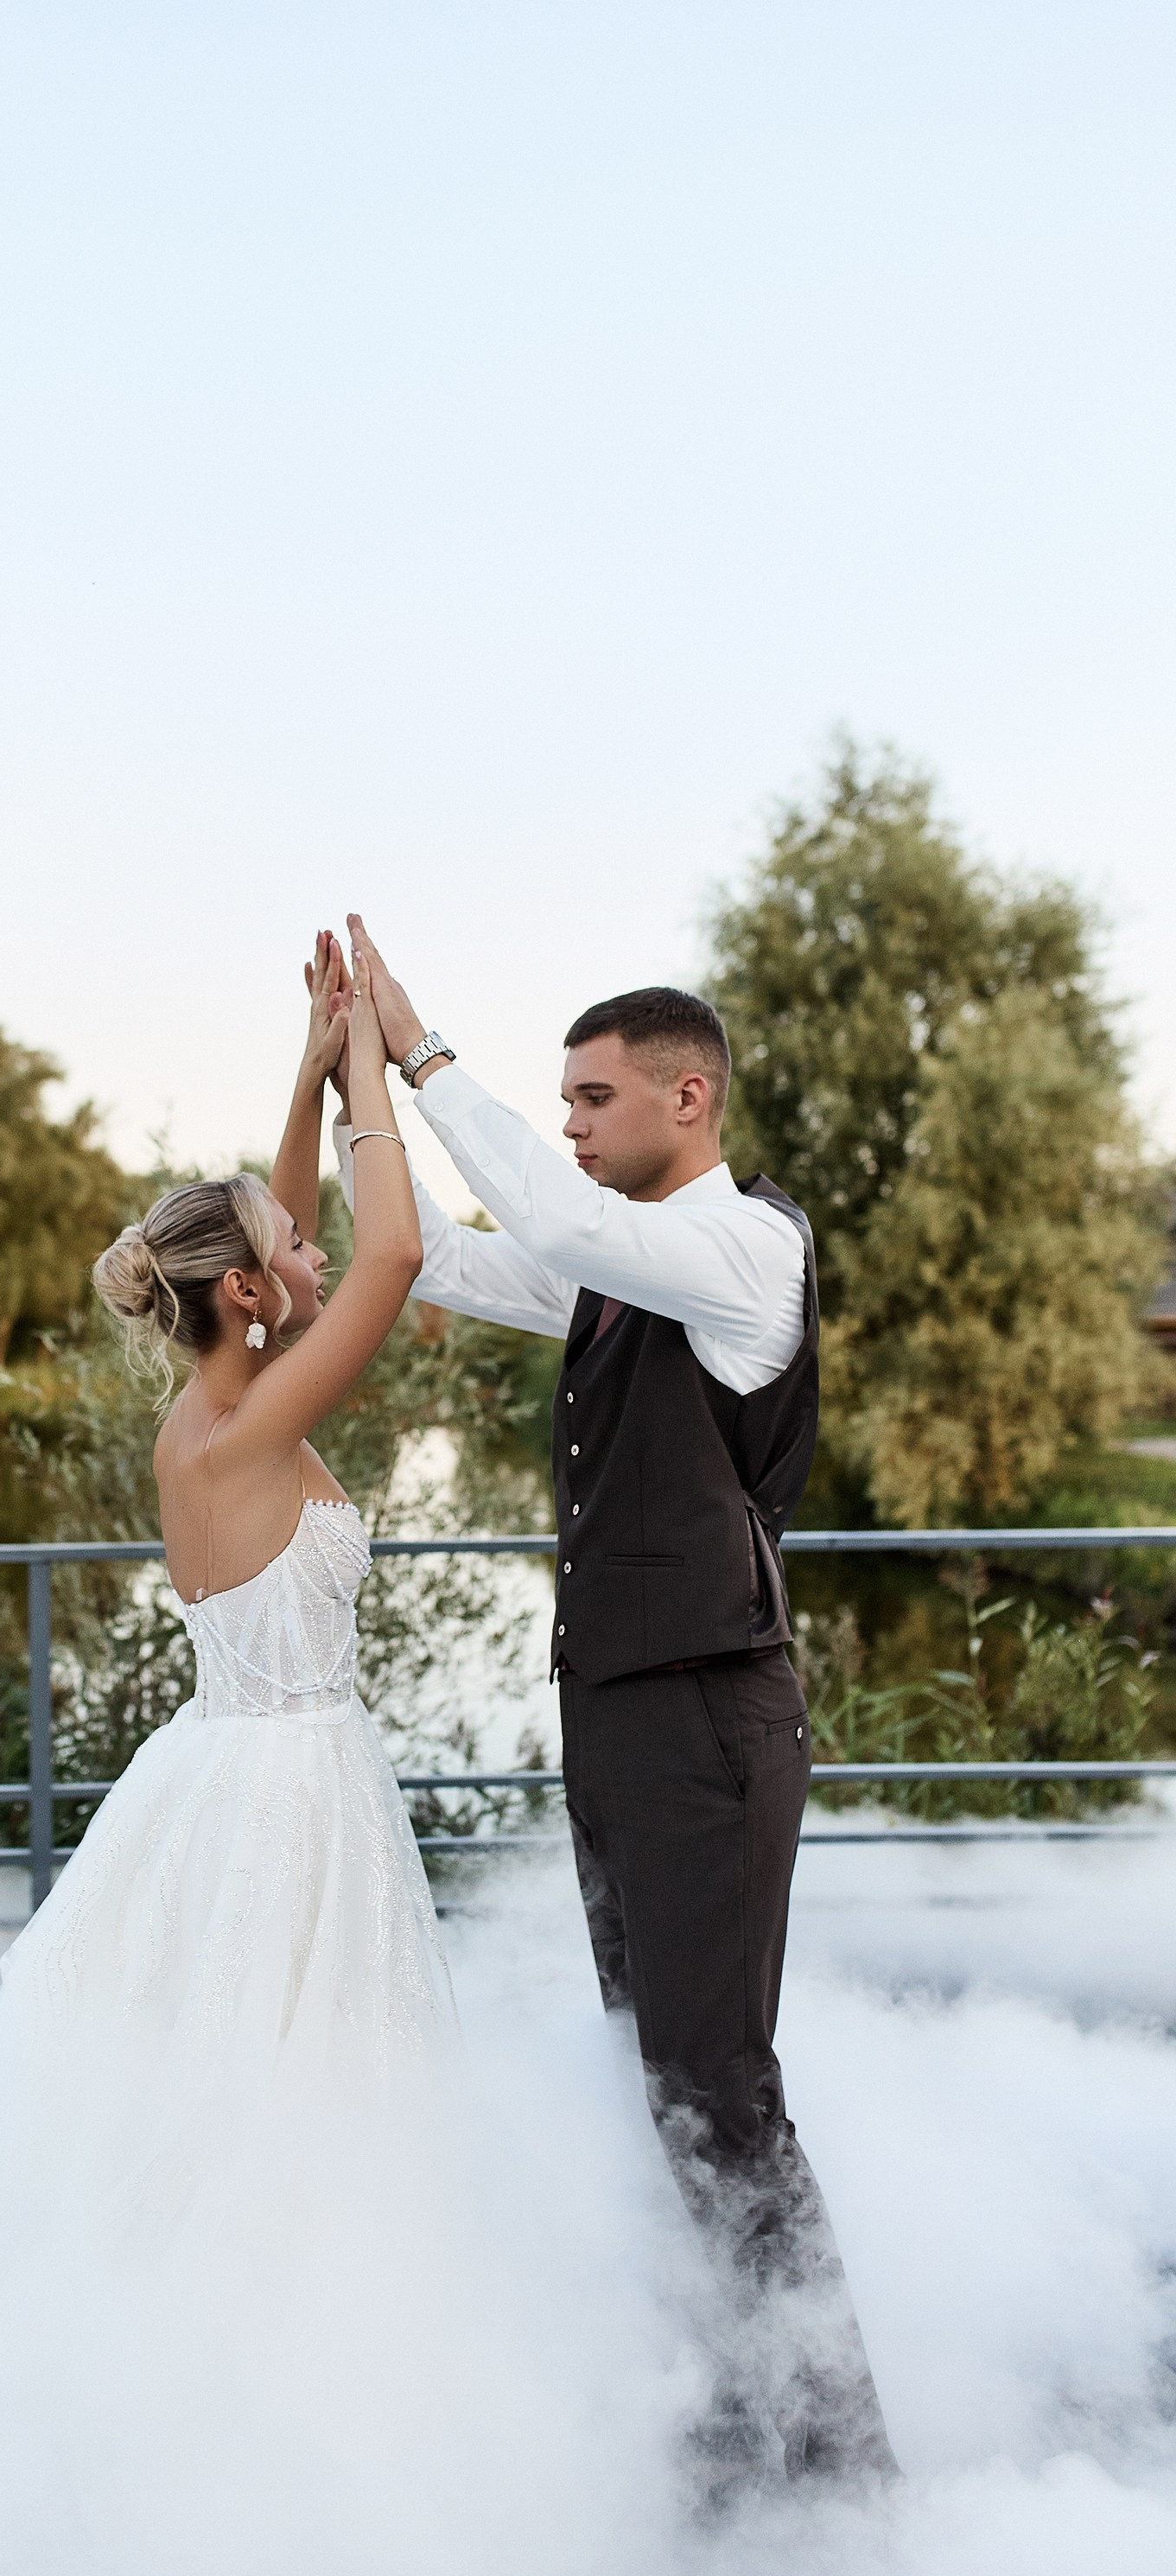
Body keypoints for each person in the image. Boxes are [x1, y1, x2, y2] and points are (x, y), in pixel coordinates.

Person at [334, 913, 899, 2493]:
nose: (572, 1124)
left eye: (591, 1099)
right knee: (659, 2084)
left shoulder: (739, 1247)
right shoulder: (615, 1268)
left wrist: (427, 1052)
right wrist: (353, 1090)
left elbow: (549, 1225)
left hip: (713, 1722)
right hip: (626, 1722)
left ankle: (838, 2466)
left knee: (724, 2092)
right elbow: (432, 1256)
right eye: (562, 1103)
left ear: (686, 1101)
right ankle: (738, 2410)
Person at [0, 930, 455, 2201]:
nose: (318, 1255)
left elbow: (276, 1226)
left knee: (253, 2074)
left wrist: (304, 1082)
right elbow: (395, 1255)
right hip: (294, 1795)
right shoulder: (251, 1436)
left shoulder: (208, 1415)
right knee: (298, 2096)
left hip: (224, 1767)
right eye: (294, 1254)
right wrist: (372, 1074)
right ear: (245, 1293)